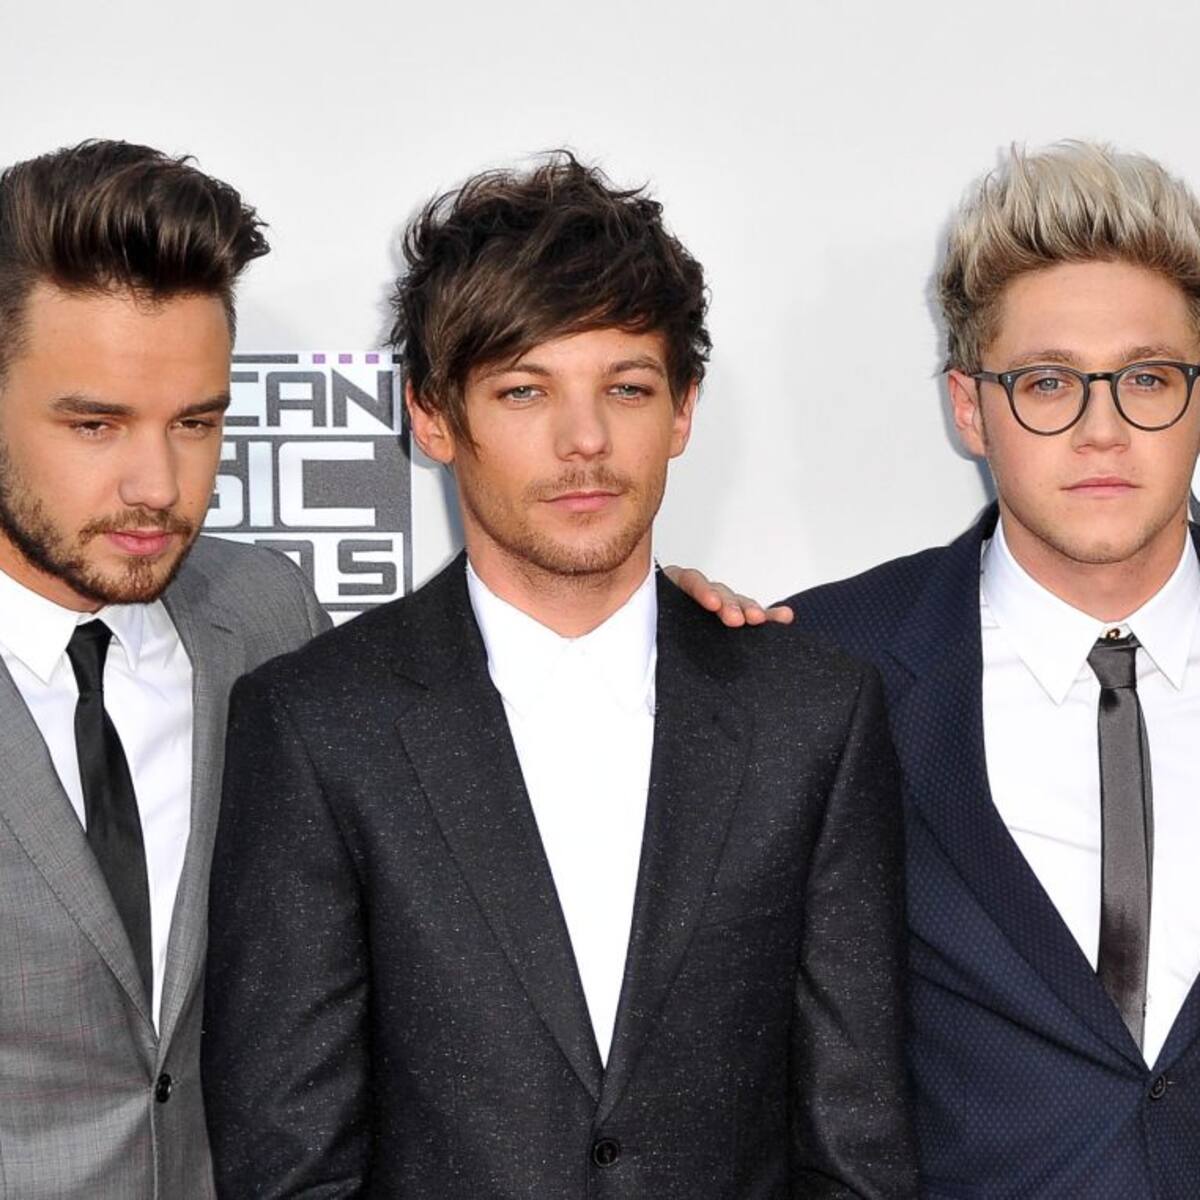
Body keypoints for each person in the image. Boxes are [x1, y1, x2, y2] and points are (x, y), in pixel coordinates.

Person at [201, 154, 917, 1199]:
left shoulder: (812, 715)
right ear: (433, 417)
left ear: (683, 410)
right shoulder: (317, 725)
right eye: (524, 390)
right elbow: (290, 1164)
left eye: (626, 388)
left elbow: (858, 1148)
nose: (585, 441)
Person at [674, 141, 1200, 1199]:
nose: (1102, 430)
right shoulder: (821, 667)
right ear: (969, 407)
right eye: (1047, 383)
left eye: (1147, 378)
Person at [0, 140, 329, 1200]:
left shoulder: (269, 614)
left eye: (196, 422)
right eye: (95, 425)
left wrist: (645, 613)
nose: (158, 484)